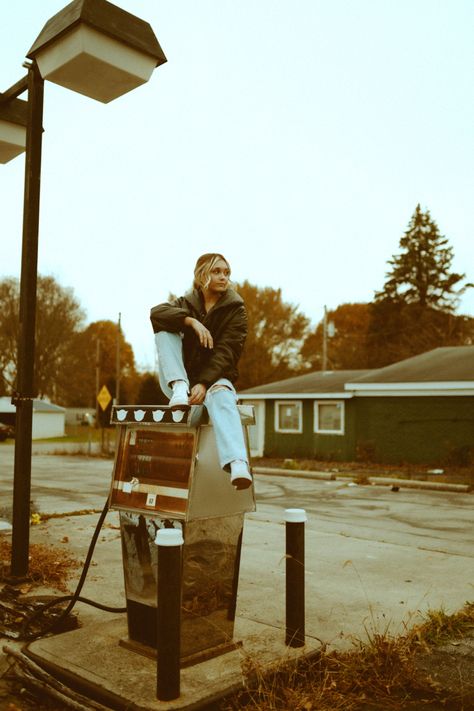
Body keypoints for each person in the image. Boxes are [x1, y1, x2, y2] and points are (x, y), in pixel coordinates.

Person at [150, 253, 252, 490]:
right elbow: (155, 314)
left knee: (225, 394)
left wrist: (205, 384)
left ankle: (237, 463)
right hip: (181, 385)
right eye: (217, 271)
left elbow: (228, 351)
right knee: (164, 331)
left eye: (227, 273)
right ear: (202, 274)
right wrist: (191, 322)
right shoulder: (186, 303)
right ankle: (178, 385)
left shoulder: (236, 310)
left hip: (214, 382)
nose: (223, 277)